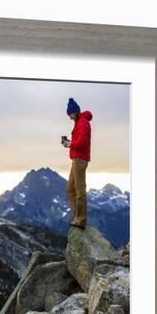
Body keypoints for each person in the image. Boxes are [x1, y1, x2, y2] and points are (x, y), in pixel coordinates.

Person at [61, 98, 93, 229]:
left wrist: (70, 144)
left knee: (80, 190)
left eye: (70, 114)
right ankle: (78, 217)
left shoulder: (83, 123)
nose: (70, 117)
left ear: (75, 112)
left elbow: (82, 143)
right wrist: (69, 143)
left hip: (80, 160)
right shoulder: (79, 122)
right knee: (70, 190)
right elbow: (79, 142)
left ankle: (81, 219)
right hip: (76, 159)